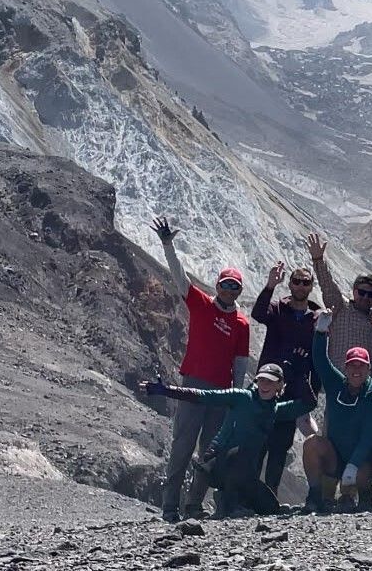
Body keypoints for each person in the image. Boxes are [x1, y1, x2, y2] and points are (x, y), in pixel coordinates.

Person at [151, 216, 251, 522]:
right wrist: (168, 244)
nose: (229, 290)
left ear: (239, 291)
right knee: (182, 445)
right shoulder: (201, 304)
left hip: (220, 394)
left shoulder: (242, 324)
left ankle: (194, 504)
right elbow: (179, 277)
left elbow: (240, 364)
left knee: (209, 453)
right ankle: (170, 506)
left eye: (235, 287)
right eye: (225, 285)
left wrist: (236, 395)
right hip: (192, 385)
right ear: (218, 286)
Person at [139, 363, 312, 517]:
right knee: (241, 453)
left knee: (270, 507)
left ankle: (230, 498)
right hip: (216, 464)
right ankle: (228, 504)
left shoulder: (275, 410)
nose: (264, 385)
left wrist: (300, 376)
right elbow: (205, 395)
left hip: (245, 472)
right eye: (262, 380)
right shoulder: (240, 397)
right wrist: (166, 390)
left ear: (279, 385)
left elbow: (309, 404)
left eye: (270, 381)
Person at [301, 310, 372, 514]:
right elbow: (320, 360)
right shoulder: (334, 383)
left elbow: (369, 436)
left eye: (362, 366)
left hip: (362, 458)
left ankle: (361, 496)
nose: (356, 370)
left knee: (363, 474)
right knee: (312, 443)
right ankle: (315, 495)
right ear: (345, 368)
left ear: (369, 368)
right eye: (352, 366)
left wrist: (354, 465)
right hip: (335, 455)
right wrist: (321, 332)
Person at [251, 260, 322, 495]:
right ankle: (245, 493)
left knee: (280, 445)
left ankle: (269, 495)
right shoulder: (277, 309)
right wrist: (270, 285)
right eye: (296, 281)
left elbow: (317, 357)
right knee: (256, 442)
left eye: (305, 282)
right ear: (289, 284)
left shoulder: (316, 318)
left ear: (311, 286)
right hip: (266, 386)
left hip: (293, 391)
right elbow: (258, 313)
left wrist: (311, 392)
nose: (301, 286)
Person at [308, 233, 372, 372]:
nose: (365, 297)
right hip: (338, 379)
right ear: (354, 291)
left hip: (366, 385)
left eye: (371, 294)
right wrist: (318, 259)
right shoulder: (341, 307)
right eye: (362, 292)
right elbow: (328, 286)